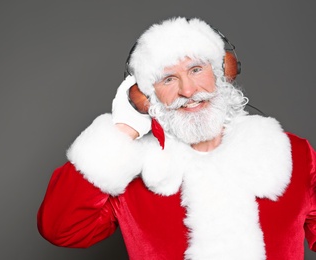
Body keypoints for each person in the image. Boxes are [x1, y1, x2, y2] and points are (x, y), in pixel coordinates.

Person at [37, 17, 316, 260]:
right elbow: (61, 229)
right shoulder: (130, 173)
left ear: (224, 72)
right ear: (146, 96)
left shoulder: (295, 153)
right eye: (168, 79)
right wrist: (122, 129)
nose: (189, 90)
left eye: (196, 70)